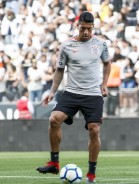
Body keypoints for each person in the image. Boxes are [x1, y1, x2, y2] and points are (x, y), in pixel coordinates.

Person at [36, 11, 111, 184]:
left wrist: (105, 84)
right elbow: (60, 70)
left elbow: (107, 64)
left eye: (89, 29)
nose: (86, 32)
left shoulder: (100, 44)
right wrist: (52, 92)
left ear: (93, 27)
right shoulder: (66, 45)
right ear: (77, 26)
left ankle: (91, 174)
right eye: (83, 28)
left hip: (93, 94)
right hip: (71, 92)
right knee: (54, 119)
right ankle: (54, 163)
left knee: (94, 130)